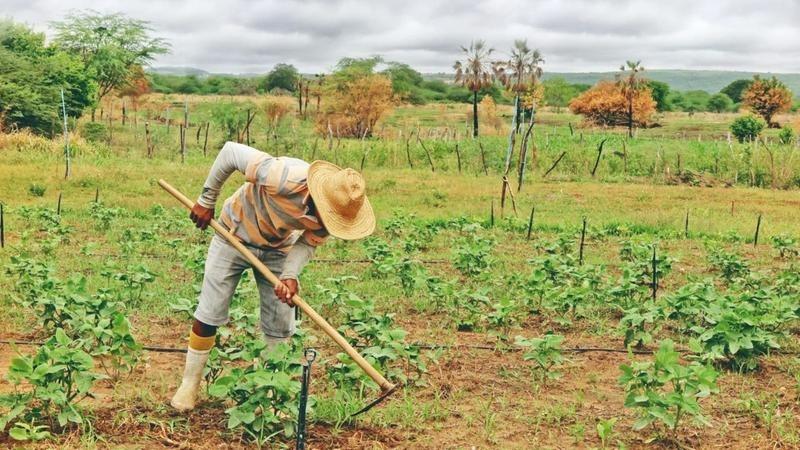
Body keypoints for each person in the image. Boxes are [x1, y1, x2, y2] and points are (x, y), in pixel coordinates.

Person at [171, 141, 375, 411]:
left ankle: (268, 395)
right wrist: (206, 200)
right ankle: (190, 385)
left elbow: (307, 243)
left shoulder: (335, 216)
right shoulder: (283, 176)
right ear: (318, 196)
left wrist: (290, 275)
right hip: (233, 232)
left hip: (278, 246)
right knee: (211, 309)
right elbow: (230, 152)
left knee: (280, 321)